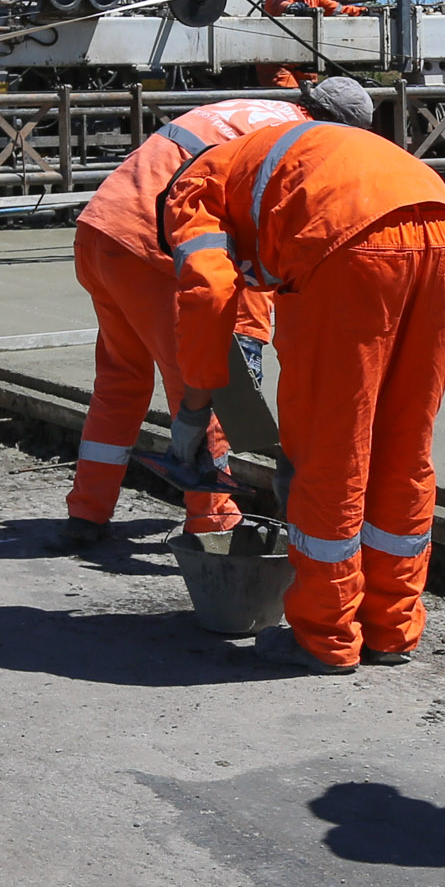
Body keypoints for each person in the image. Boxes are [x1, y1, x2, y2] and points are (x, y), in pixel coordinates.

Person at [160, 83, 445, 671]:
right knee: (405, 439)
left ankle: (325, 635)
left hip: (346, 245)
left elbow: (209, 294)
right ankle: (391, 627)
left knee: (331, 449)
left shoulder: (191, 190)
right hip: (440, 225)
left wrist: (193, 414)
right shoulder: (290, 153)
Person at [59, 89, 320, 549]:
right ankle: (215, 526)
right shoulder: (292, 142)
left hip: (102, 229)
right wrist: (246, 338)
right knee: (201, 383)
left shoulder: (255, 110)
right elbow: (248, 242)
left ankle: (86, 513)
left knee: (121, 379)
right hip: (153, 249)